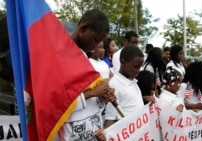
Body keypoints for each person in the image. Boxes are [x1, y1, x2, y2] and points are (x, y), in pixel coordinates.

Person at [58, 9, 116, 141]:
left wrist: (101, 99)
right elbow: (56, 104)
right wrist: (92, 93)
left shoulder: (84, 57)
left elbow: (91, 101)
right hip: (71, 134)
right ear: (83, 29)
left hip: (93, 131)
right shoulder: (58, 56)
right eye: (95, 40)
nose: (96, 46)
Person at [104, 45, 147, 128]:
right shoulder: (114, 86)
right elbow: (110, 118)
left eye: (140, 67)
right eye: (135, 67)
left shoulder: (132, 80)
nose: (138, 70)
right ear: (123, 62)